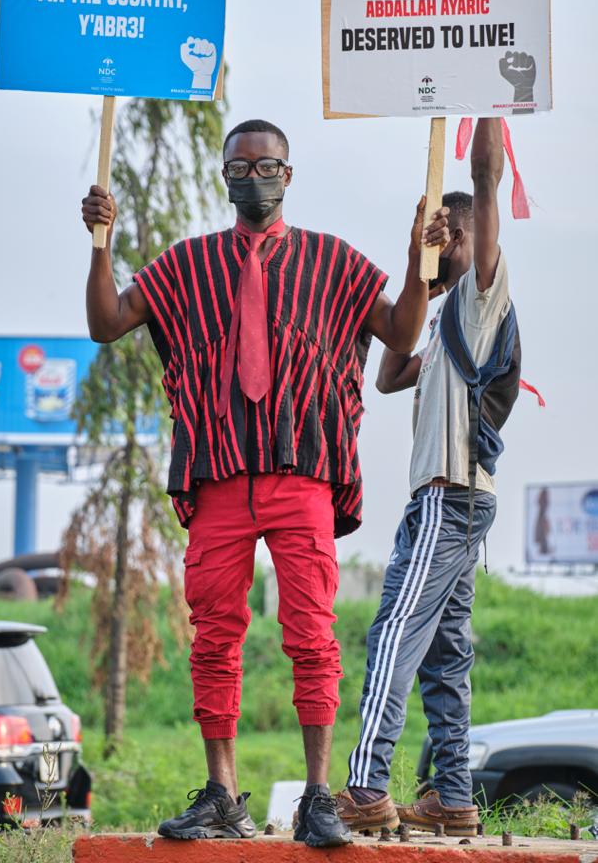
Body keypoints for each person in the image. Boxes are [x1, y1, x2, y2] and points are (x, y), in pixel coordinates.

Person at [82, 118, 449, 847]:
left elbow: (400, 335)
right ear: (225, 178)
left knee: (311, 635)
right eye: (241, 167)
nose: (255, 178)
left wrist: (417, 261)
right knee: (213, 637)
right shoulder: (184, 266)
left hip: (300, 475)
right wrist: (100, 243)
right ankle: (221, 794)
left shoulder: (333, 262)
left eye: (268, 166)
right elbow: (105, 322)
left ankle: (318, 797)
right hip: (218, 475)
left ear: (290, 174)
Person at [336, 117, 515, 838]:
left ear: (477, 243)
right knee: (444, 656)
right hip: (449, 502)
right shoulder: (443, 312)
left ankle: (365, 786)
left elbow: (484, 181)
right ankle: (452, 797)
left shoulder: (481, 300)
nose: (446, 238)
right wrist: (419, 259)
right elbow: (385, 373)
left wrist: (481, 89)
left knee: (392, 636)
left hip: (450, 497)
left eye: (455, 232)